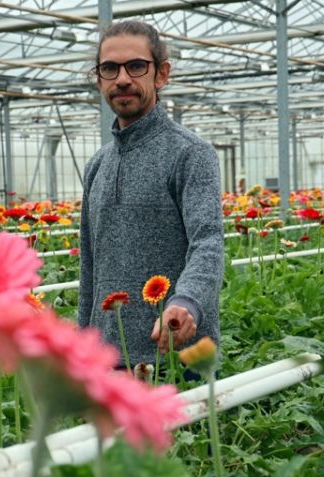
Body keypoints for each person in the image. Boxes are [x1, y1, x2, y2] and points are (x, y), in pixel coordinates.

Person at [77, 20, 224, 372]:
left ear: (161, 75)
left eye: (137, 66)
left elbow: (208, 242)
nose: (122, 78)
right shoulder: (97, 166)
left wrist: (187, 302)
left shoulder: (191, 154)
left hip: (176, 357)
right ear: (99, 79)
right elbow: (89, 266)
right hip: (108, 360)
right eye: (109, 68)